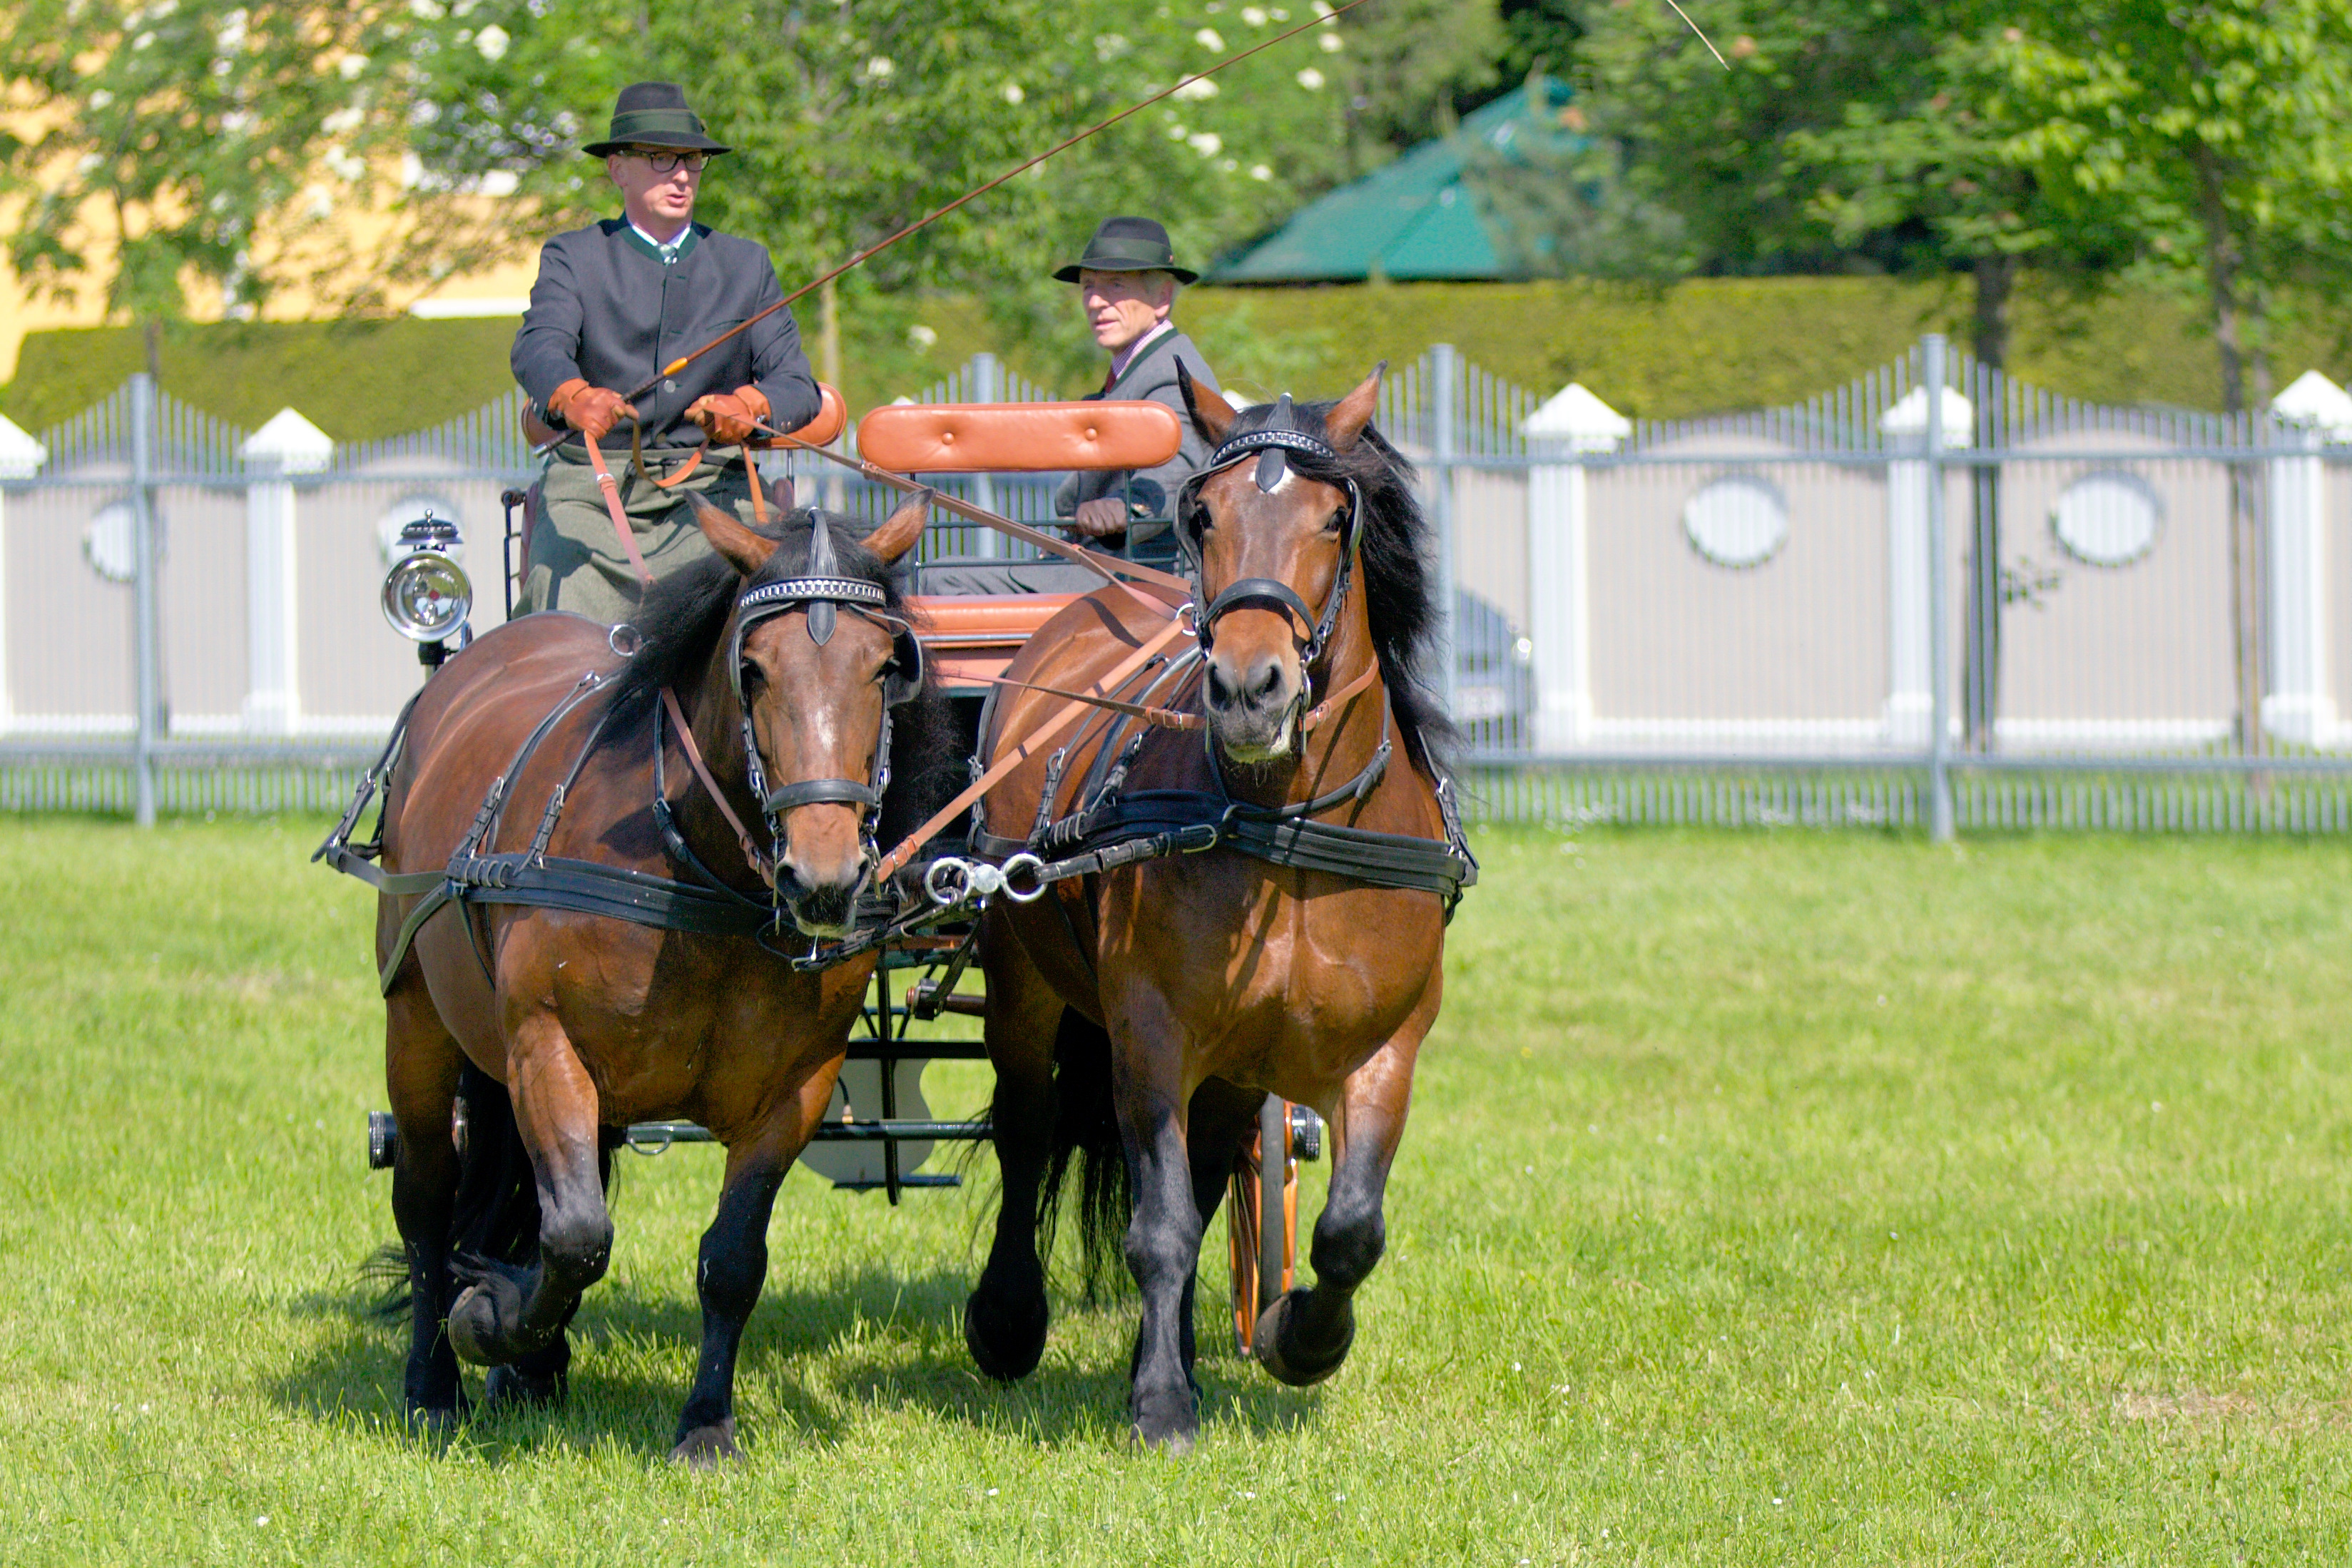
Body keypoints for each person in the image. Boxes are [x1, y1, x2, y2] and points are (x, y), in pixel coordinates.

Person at [511, 81, 821, 622]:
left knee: (770, 609)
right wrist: (572, 395)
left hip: (713, 493)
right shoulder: (573, 257)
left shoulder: (745, 265)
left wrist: (747, 406)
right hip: (593, 489)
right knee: (563, 585)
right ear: (617, 169)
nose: (680, 175)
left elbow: (796, 384)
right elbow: (538, 345)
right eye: (660, 159)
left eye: (693, 161)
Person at [917, 216, 1224, 595]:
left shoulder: (1172, 374)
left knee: (936, 577)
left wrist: (1125, 510)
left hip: (1137, 579)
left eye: (1115, 286)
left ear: (1161, 297)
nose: (1095, 302)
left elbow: (1178, 471)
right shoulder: (1141, 367)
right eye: (1089, 287)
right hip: (1103, 566)